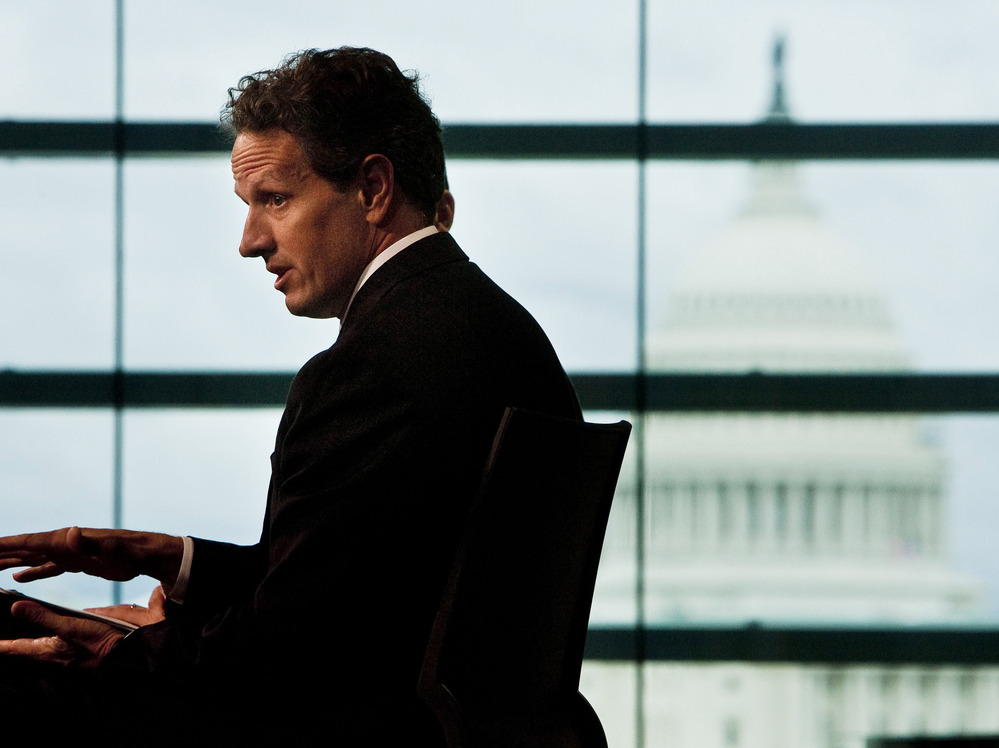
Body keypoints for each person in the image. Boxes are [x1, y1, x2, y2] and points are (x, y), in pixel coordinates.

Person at [0, 47, 579, 745]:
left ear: (371, 188)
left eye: (274, 199)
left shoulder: (372, 364)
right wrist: (175, 561)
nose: (249, 242)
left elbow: (281, 660)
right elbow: (351, 592)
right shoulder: (490, 327)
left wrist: (110, 647)